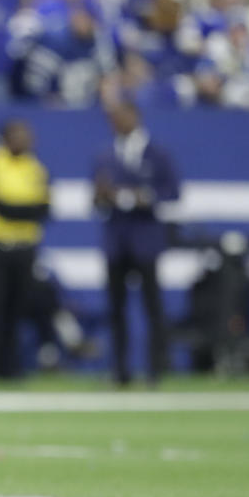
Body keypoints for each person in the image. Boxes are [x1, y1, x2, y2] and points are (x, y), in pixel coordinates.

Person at [92, 100, 180, 386]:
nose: (116, 121)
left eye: (122, 115)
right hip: (116, 239)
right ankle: (120, 371)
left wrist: (147, 197)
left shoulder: (157, 153)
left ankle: (156, 369)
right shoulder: (105, 155)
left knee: (152, 306)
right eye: (113, 116)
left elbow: (173, 192)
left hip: (145, 237)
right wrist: (102, 196)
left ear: (136, 117)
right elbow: (95, 198)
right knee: (116, 309)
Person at [0, 119, 50, 377]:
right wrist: (17, 209)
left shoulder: (36, 168)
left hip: (24, 247)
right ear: (5, 138)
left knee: (17, 308)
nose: (24, 140)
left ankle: (10, 366)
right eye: (18, 135)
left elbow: (41, 210)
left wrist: (8, 207)